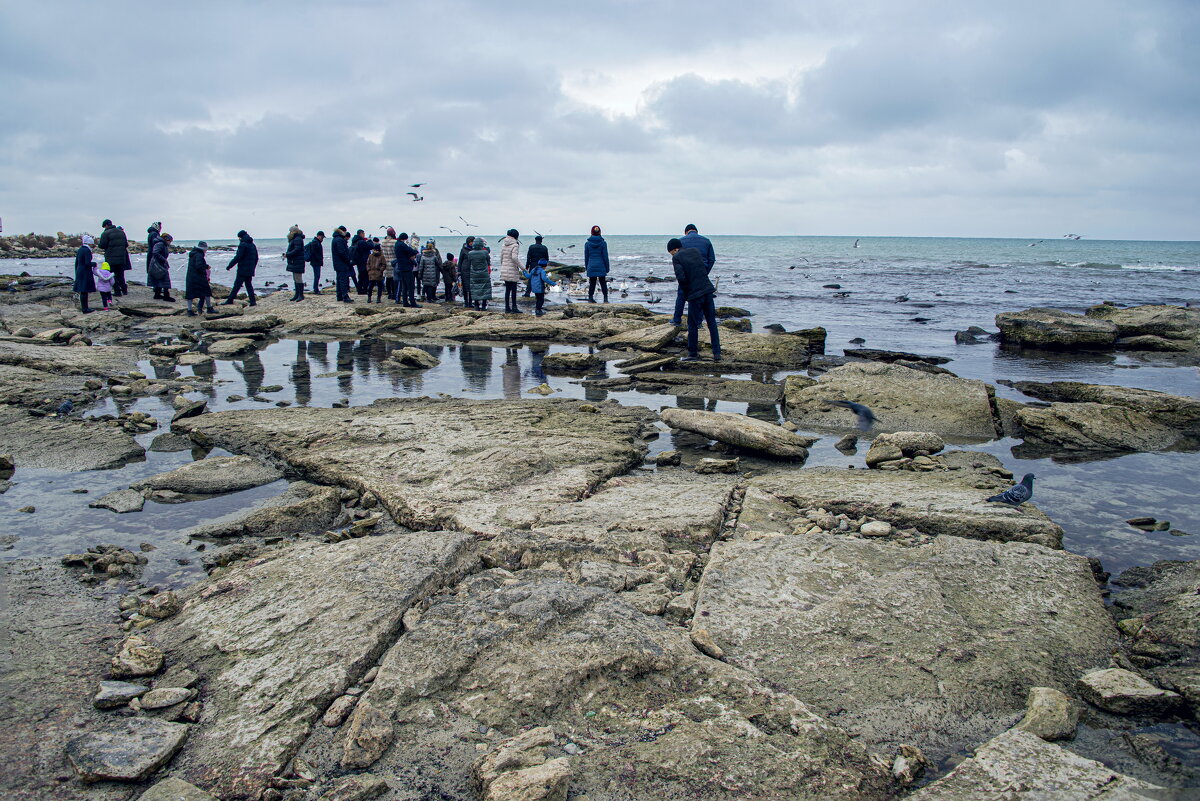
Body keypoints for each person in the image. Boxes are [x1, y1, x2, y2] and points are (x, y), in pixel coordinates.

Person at [668, 237, 720, 362]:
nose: (672, 255)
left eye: (671, 252)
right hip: (707, 290)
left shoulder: (677, 258)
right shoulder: (695, 251)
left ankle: (692, 354)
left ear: (675, 249)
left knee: (692, 324)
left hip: (695, 294)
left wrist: (686, 294)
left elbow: (681, 278)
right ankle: (717, 354)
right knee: (712, 323)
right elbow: (703, 268)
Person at [672, 223, 715, 325]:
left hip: (687, 273)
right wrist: (705, 272)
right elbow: (712, 259)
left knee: (681, 295)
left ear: (686, 232)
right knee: (700, 296)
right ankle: (698, 322)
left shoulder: (681, 241)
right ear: (696, 231)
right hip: (701, 274)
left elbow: (678, 260)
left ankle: (677, 319)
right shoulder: (706, 241)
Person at [223, 229, 258, 305]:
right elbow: (256, 258)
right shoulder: (252, 245)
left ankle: (230, 300)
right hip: (250, 269)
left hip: (243, 269)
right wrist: (253, 267)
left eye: (239, 238)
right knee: (248, 285)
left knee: (237, 285)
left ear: (241, 237)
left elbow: (238, 257)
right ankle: (253, 301)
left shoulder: (242, 245)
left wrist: (229, 266)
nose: (239, 239)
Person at [97, 219, 129, 297]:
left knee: (112, 275)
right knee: (121, 275)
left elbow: (102, 245)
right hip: (122, 258)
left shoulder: (105, 233)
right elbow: (126, 244)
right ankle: (124, 290)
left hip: (111, 258)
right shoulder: (121, 232)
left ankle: (117, 292)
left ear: (106, 225)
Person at [185, 241, 215, 316]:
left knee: (190, 294)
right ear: (203, 248)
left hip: (190, 276)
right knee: (206, 291)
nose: (206, 251)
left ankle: (190, 310)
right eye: (206, 249)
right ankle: (209, 308)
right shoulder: (199, 254)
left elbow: (197, 264)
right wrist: (205, 270)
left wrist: (205, 265)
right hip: (198, 277)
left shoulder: (193, 253)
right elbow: (199, 265)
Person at [584, 225, 610, 303]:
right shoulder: (603, 243)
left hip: (591, 265)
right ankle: (605, 299)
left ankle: (590, 298)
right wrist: (607, 267)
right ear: (600, 232)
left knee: (592, 282)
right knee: (603, 282)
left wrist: (586, 267)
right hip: (601, 265)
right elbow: (605, 256)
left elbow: (586, 257)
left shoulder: (587, 244)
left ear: (591, 232)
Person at [499, 228, 523, 313]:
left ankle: (507, 308)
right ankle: (514, 307)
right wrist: (523, 268)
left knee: (507, 289)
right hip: (512, 269)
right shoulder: (515, 245)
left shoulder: (504, 244)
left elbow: (501, 257)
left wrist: (503, 266)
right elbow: (514, 258)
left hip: (504, 268)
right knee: (513, 290)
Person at [393, 232, 419, 307]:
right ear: (404, 238)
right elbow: (410, 251)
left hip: (401, 267)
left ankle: (405, 302)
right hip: (406, 267)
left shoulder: (397, 244)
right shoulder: (401, 245)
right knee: (411, 286)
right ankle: (413, 303)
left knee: (404, 286)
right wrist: (415, 251)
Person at [149, 232, 176, 301]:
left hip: (159, 264)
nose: (170, 243)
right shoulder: (160, 244)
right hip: (158, 264)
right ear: (166, 239)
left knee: (160, 279)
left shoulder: (162, 244)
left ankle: (157, 294)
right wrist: (163, 259)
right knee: (165, 279)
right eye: (170, 241)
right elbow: (155, 252)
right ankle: (166, 296)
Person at [74, 234, 97, 313]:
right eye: (92, 244)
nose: (93, 245)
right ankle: (85, 309)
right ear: (89, 243)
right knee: (84, 291)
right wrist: (94, 264)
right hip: (85, 272)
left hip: (80, 270)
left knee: (82, 291)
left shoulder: (80, 249)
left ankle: (84, 308)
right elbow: (87, 263)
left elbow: (77, 262)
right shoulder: (87, 250)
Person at [467, 237, 492, 310]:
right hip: (484, 273)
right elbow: (488, 262)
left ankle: (476, 305)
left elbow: (469, 263)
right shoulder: (485, 252)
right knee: (485, 289)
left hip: (474, 273)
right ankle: (484, 305)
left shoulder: (470, 253)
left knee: (475, 289)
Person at [331, 226, 353, 302]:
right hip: (341, 263)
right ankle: (345, 296)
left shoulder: (335, 239)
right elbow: (342, 252)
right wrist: (348, 260)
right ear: (343, 231)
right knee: (343, 280)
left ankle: (339, 296)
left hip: (337, 263)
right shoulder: (340, 240)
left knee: (339, 280)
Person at [285, 225, 306, 301]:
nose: (289, 233)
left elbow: (297, 250)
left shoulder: (297, 239)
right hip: (295, 261)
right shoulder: (296, 239)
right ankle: (297, 294)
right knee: (295, 278)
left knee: (298, 278)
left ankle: (300, 295)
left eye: (290, 231)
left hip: (297, 261)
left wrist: (288, 254)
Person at [351, 229, 371, 294]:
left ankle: (359, 289)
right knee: (365, 276)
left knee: (361, 276)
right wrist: (370, 241)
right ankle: (364, 290)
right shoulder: (361, 242)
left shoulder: (354, 241)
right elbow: (370, 246)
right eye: (363, 234)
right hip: (364, 261)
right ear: (361, 234)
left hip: (358, 261)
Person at [381, 227, 398, 301]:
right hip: (393, 261)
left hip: (385, 261)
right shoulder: (394, 242)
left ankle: (389, 293)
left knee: (388, 279)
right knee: (394, 279)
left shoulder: (383, 242)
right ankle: (394, 293)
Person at [458, 236, 475, 307]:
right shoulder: (463, 250)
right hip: (464, 270)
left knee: (471, 287)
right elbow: (460, 260)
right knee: (465, 287)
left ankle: (471, 302)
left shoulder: (474, 249)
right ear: (469, 242)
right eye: (472, 242)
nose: (473, 243)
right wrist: (459, 271)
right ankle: (466, 302)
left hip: (472, 270)